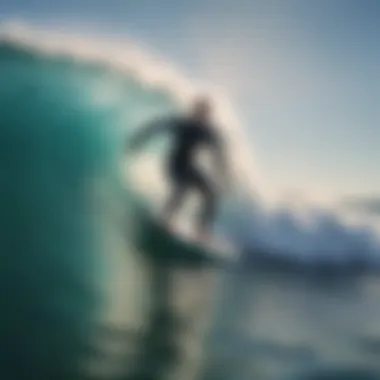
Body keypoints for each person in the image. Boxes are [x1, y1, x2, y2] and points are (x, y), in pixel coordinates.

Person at [127, 96, 229, 243]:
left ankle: (200, 230)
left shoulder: (207, 131)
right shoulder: (182, 123)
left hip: (189, 166)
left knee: (211, 194)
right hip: (174, 164)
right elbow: (158, 127)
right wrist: (139, 139)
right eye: (199, 111)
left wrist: (222, 171)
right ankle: (165, 219)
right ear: (195, 110)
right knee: (183, 188)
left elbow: (218, 153)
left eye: (205, 113)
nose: (202, 115)